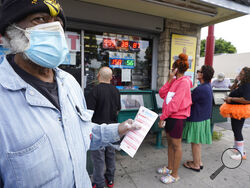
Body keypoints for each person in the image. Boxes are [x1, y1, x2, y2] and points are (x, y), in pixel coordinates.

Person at [0, 1, 139, 187]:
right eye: (40, 19)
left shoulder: (70, 83)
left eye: (59, 23)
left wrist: (118, 129)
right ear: (11, 31)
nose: (55, 29)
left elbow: (82, 134)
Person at [157, 53, 192, 184]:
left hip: (177, 117)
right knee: (170, 144)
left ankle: (175, 174)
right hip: (170, 116)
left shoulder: (184, 83)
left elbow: (175, 104)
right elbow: (162, 94)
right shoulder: (175, 81)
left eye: (172, 69)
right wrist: (169, 80)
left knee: (176, 146)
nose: (170, 71)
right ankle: (170, 167)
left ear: (175, 69)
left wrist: (163, 117)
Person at [86, 67, 121, 188]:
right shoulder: (116, 91)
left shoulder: (94, 91)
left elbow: (88, 113)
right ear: (111, 78)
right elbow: (118, 110)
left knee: (98, 160)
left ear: (98, 76)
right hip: (112, 129)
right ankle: (110, 180)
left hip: (98, 131)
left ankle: (98, 183)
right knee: (111, 156)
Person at [182, 65, 215, 172]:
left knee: (195, 143)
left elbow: (188, 102)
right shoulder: (207, 86)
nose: (197, 72)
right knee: (197, 143)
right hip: (204, 118)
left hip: (197, 119)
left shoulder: (200, 89)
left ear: (202, 74)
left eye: (199, 71)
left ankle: (196, 165)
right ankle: (198, 162)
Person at [220, 67, 250, 160]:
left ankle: (241, 153)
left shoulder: (247, 85)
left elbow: (246, 100)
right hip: (235, 109)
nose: (239, 75)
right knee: (235, 129)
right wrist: (236, 81)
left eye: (241, 74)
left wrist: (231, 99)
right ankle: (237, 148)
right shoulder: (242, 83)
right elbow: (232, 90)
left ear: (246, 75)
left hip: (239, 110)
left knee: (237, 130)